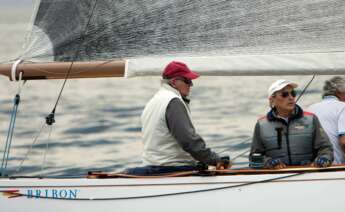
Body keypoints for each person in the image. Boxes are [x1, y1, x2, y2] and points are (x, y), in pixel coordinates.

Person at [125, 61, 230, 175]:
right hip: (171, 169)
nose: (191, 85)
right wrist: (215, 160)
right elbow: (189, 142)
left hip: (152, 166)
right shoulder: (173, 101)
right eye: (187, 80)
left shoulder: (154, 100)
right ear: (174, 82)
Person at [249, 79, 333, 169]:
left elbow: (326, 148)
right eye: (284, 94)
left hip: (309, 173)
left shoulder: (311, 119)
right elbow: (254, 158)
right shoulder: (261, 124)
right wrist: (268, 162)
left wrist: (324, 158)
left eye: (293, 93)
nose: (291, 97)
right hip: (275, 176)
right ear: (272, 100)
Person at [308, 76, 345, 164]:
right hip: (335, 168)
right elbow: (344, 142)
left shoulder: (309, 109)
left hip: (311, 167)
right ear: (340, 92)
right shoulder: (342, 107)